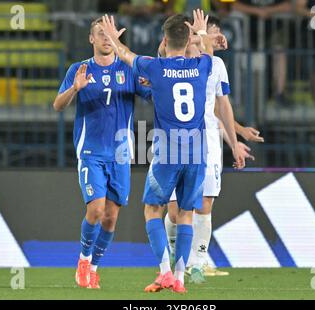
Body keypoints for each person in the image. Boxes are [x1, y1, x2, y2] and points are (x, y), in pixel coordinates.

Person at [100, 10, 247, 293]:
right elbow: (206, 52)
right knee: (187, 214)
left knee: (153, 209)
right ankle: (180, 278)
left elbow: (126, 55)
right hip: (197, 152)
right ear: (188, 39)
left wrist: (113, 40)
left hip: (168, 151)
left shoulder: (155, 68)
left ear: (165, 41)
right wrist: (204, 33)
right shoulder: (204, 65)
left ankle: (165, 272)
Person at [162, 15, 264, 283]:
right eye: (209, 31)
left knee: (205, 202)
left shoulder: (215, 65)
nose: (214, 36)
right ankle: (174, 251)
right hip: (175, 138)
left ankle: (198, 263)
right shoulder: (175, 56)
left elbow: (222, 108)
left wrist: (234, 143)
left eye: (213, 31)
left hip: (208, 139)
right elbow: (162, 49)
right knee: (174, 209)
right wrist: (200, 36)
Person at [53, 17, 151, 289]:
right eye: (101, 34)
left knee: (110, 217)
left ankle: (93, 269)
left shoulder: (128, 69)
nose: (106, 38)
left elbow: (152, 94)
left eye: (110, 34)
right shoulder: (79, 69)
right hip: (91, 152)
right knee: (95, 209)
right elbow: (58, 105)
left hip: (120, 154)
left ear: (117, 38)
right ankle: (83, 262)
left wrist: (155, 76)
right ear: (91, 39)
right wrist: (75, 88)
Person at [232, 0, 293, 106]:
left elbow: (289, 6)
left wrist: (268, 11)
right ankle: (249, 99)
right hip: (249, 32)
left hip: (275, 28)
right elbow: (234, 5)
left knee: (279, 53)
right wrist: (257, 11)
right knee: (251, 63)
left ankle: (279, 93)